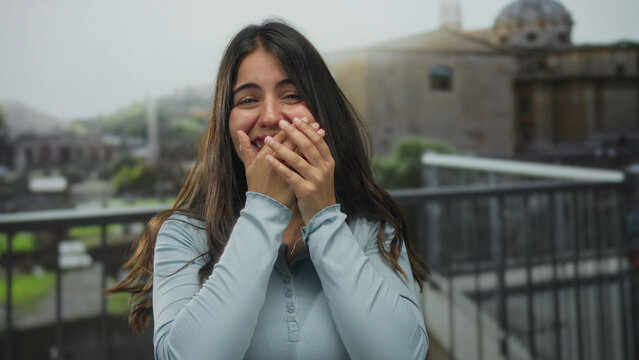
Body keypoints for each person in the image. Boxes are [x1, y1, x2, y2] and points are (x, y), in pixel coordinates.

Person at [108, 20, 429, 360]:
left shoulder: (372, 230)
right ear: (226, 122)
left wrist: (323, 217)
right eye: (248, 99)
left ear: (324, 113)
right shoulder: (183, 236)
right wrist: (263, 208)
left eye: (292, 95)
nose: (271, 116)